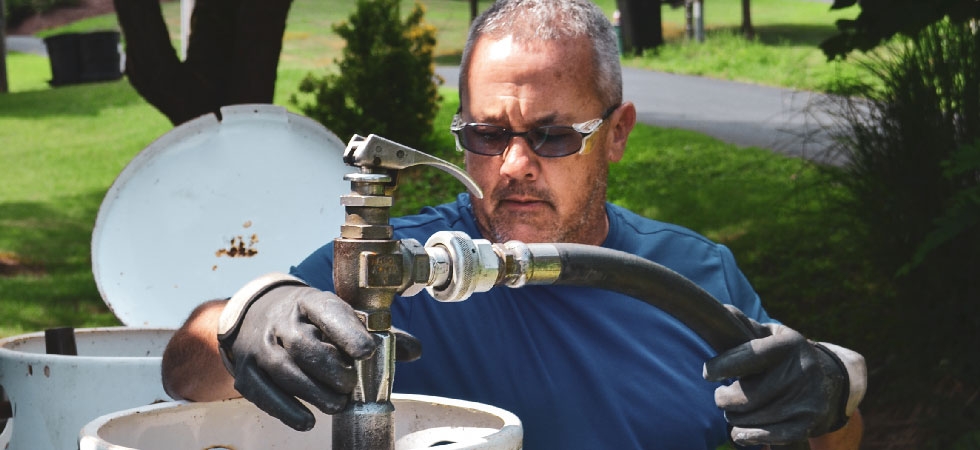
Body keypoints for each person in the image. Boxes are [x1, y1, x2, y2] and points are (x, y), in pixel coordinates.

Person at [161, 1, 866, 449]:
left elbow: (806, 426)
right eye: (487, 135)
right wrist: (252, 319)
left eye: (553, 137)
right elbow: (186, 366)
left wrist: (830, 397)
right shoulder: (397, 269)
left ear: (616, 134)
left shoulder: (693, 277)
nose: (513, 166)